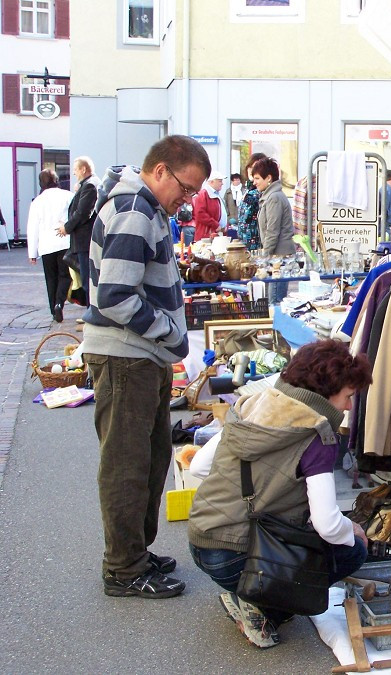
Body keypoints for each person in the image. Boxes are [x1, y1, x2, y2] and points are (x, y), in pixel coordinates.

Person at [82, 134, 211, 599]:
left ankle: (134, 552)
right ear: (160, 171)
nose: (188, 199)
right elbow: (114, 296)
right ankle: (123, 567)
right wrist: (171, 334)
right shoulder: (135, 209)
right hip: (125, 356)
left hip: (138, 356)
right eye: (186, 187)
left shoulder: (145, 207)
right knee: (127, 465)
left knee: (151, 458)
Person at [188, 339, 372, 649]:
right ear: (328, 392)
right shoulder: (316, 434)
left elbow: (199, 467)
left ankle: (247, 592)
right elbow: (327, 524)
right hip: (237, 557)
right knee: (352, 549)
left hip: (202, 543)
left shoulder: (251, 403)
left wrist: (263, 495)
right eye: (348, 396)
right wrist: (351, 531)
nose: (349, 407)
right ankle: (263, 606)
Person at [27, 169, 73, 323]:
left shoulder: (37, 202)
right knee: (65, 276)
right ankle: (60, 303)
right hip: (65, 241)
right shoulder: (68, 196)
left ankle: (53, 309)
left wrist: (32, 253)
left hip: (46, 245)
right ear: (56, 180)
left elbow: (32, 228)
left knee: (51, 278)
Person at [58, 156, 100, 308]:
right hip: (84, 241)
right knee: (86, 278)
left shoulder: (89, 185)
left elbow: (82, 212)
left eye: (75, 170)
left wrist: (67, 227)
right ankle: (91, 311)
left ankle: (92, 313)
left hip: (85, 241)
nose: (74, 173)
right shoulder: (88, 184)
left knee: (88, 279)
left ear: (83, 169)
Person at [252, 157, 294, 303]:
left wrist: (264, 257)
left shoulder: (274, 198)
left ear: (268, 178)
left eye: (257, 178)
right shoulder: (271, 196)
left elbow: (272, 231)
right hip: (277, 256)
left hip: (278, 257)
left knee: (274, 301)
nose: (254, 182)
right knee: (274, 299)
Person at [237, 152, 267, 251]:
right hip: (243, 240)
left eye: (256, 167)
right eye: (250, 166)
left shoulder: (261, 192)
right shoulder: (247, 189)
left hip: (256, 242)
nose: (251, 170)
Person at [192, 170, 226, 242]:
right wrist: (215, 225)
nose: (222, 183)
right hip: (207, 235)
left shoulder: (215, 194)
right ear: (211, 182)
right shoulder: (203, 194)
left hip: (215, 233)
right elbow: (200, 214)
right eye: (220, 181)